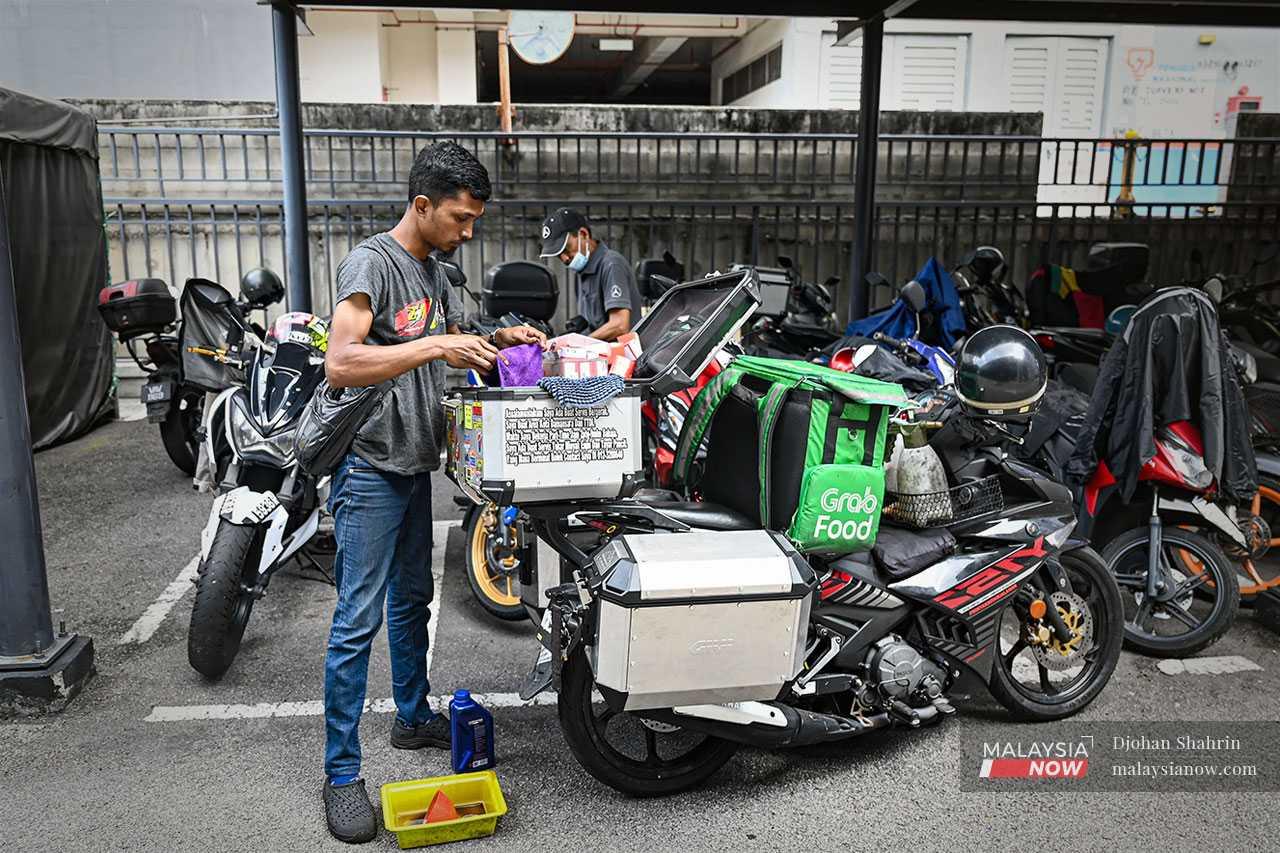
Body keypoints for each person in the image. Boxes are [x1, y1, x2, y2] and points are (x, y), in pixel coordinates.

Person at [320, 141, 544, 844]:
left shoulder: (435, 270)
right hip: (368, 467)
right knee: (357, 618)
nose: (467, 230)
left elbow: (447, 334)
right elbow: (342, 360)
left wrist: (491, 334)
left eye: (474, 217)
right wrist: (434, 348)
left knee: (413, 596)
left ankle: (412, 715)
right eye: (459, 216)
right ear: (422, 205)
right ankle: (340, 773)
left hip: (412, 463)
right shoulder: (371, 263)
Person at [537, 207, 643, 341]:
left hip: (622, 357)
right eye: (559, 255)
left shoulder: (612, 265)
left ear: (583, 234)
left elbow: (620, 325)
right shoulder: (582, 272)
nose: (564, 259)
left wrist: (579, 342)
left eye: (566, 249)